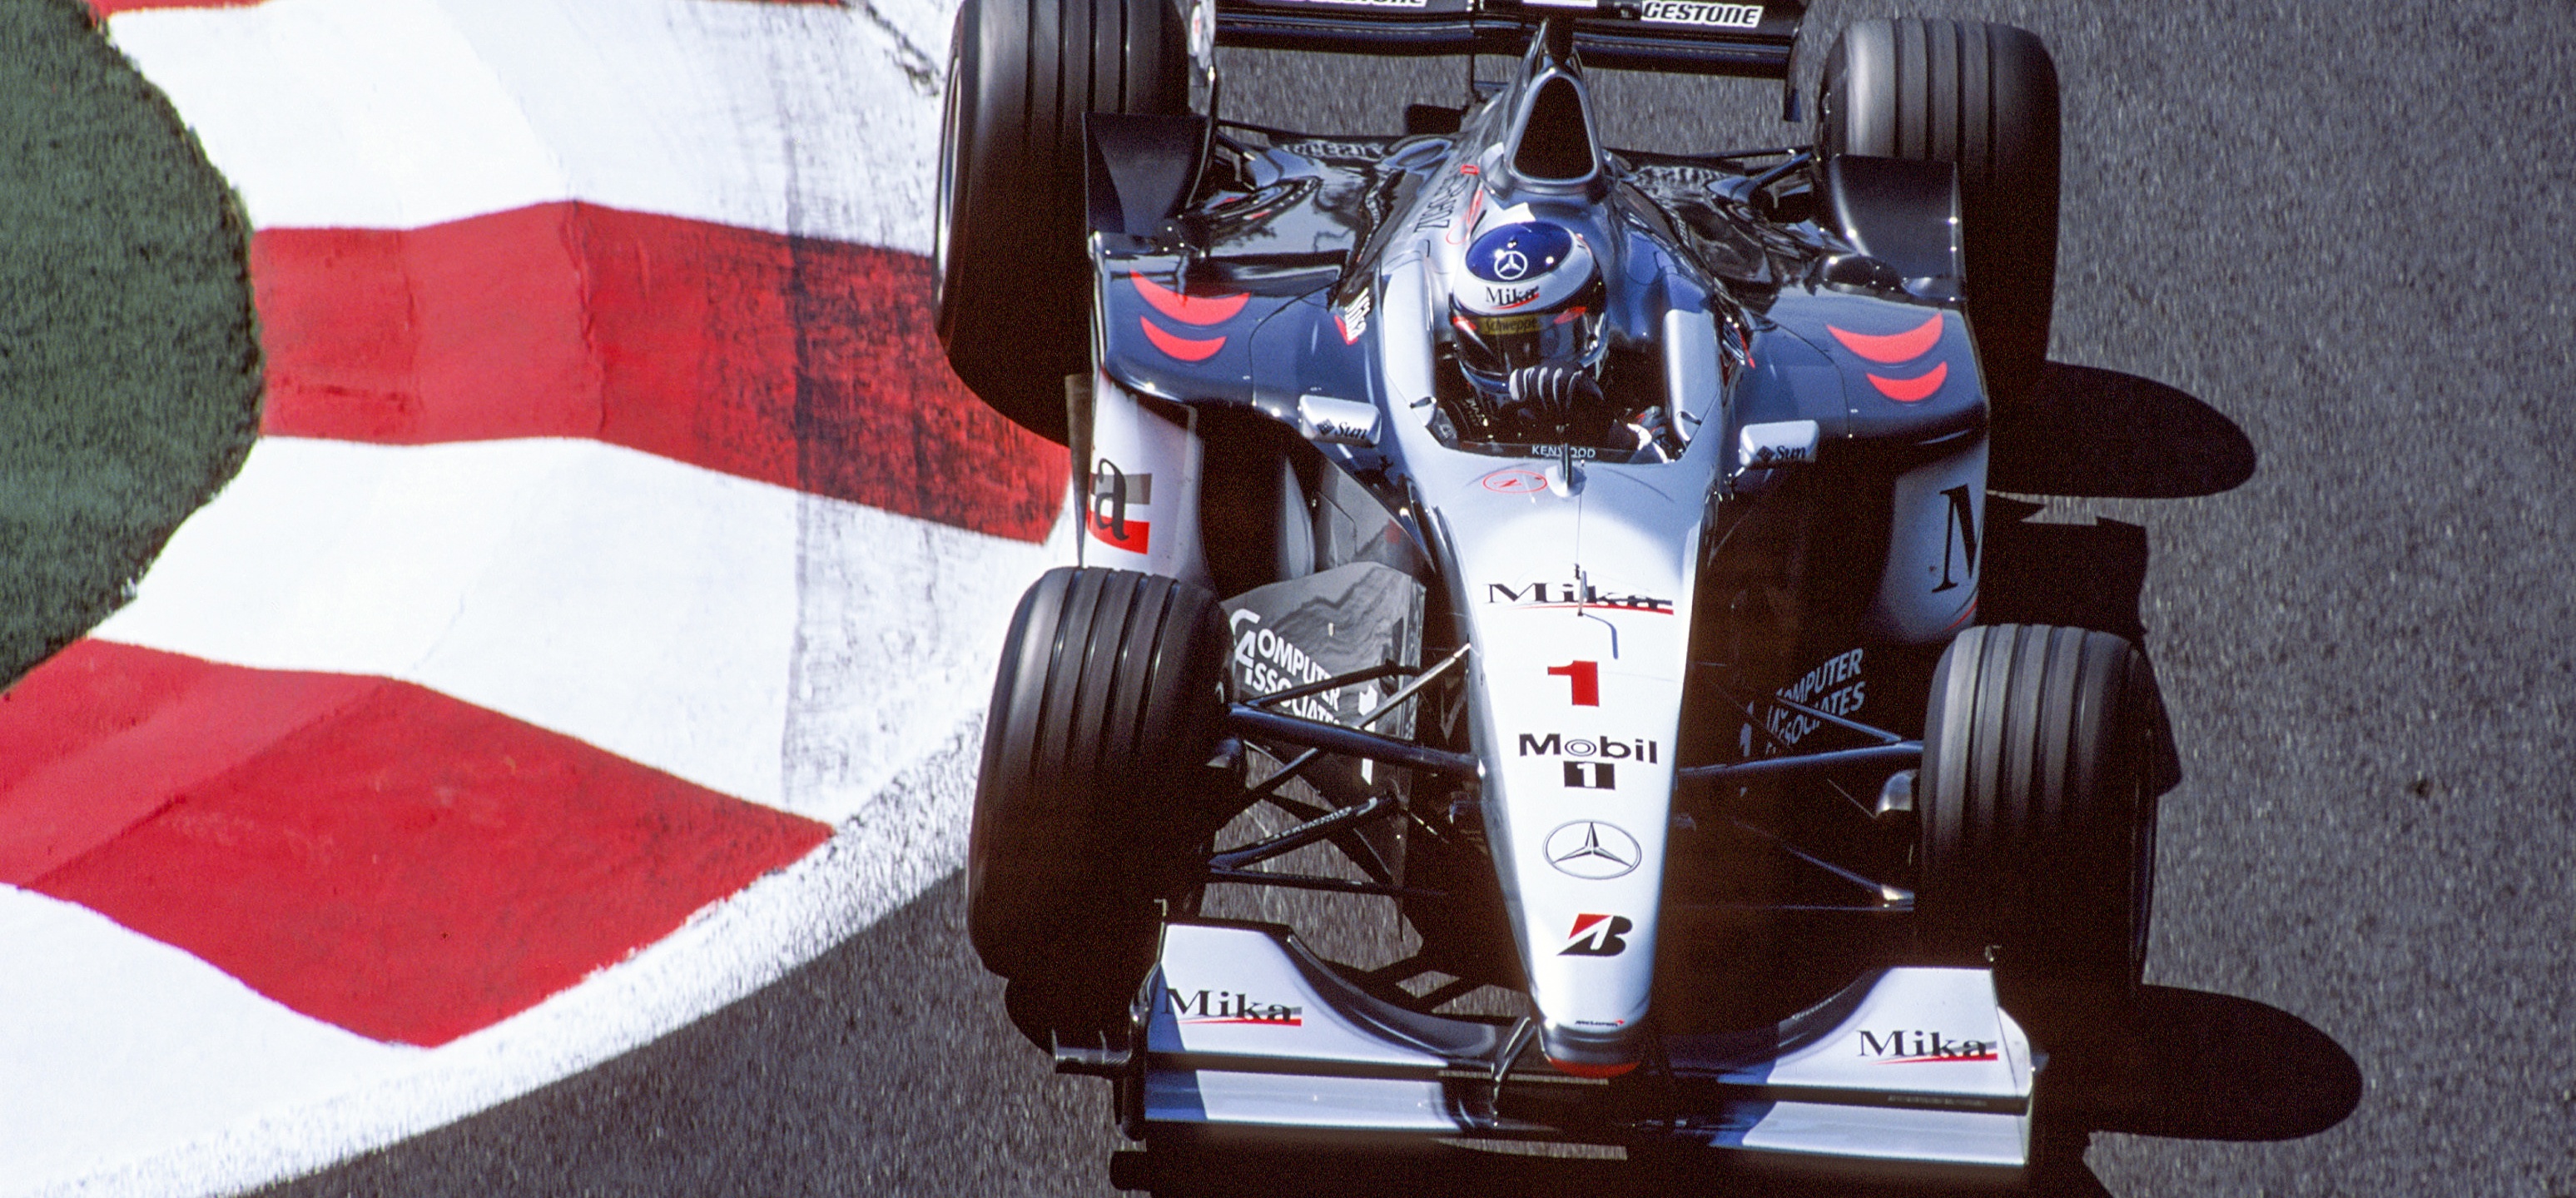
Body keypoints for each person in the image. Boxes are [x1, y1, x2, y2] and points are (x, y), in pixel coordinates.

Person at [1447, 218, 1665, 452]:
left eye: (1547, 341)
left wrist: (1610, 432)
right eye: (1500, 346)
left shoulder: (1634, 387)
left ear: (1595, 324)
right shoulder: (1451, 415)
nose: (1524, 374)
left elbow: (1669, 463)